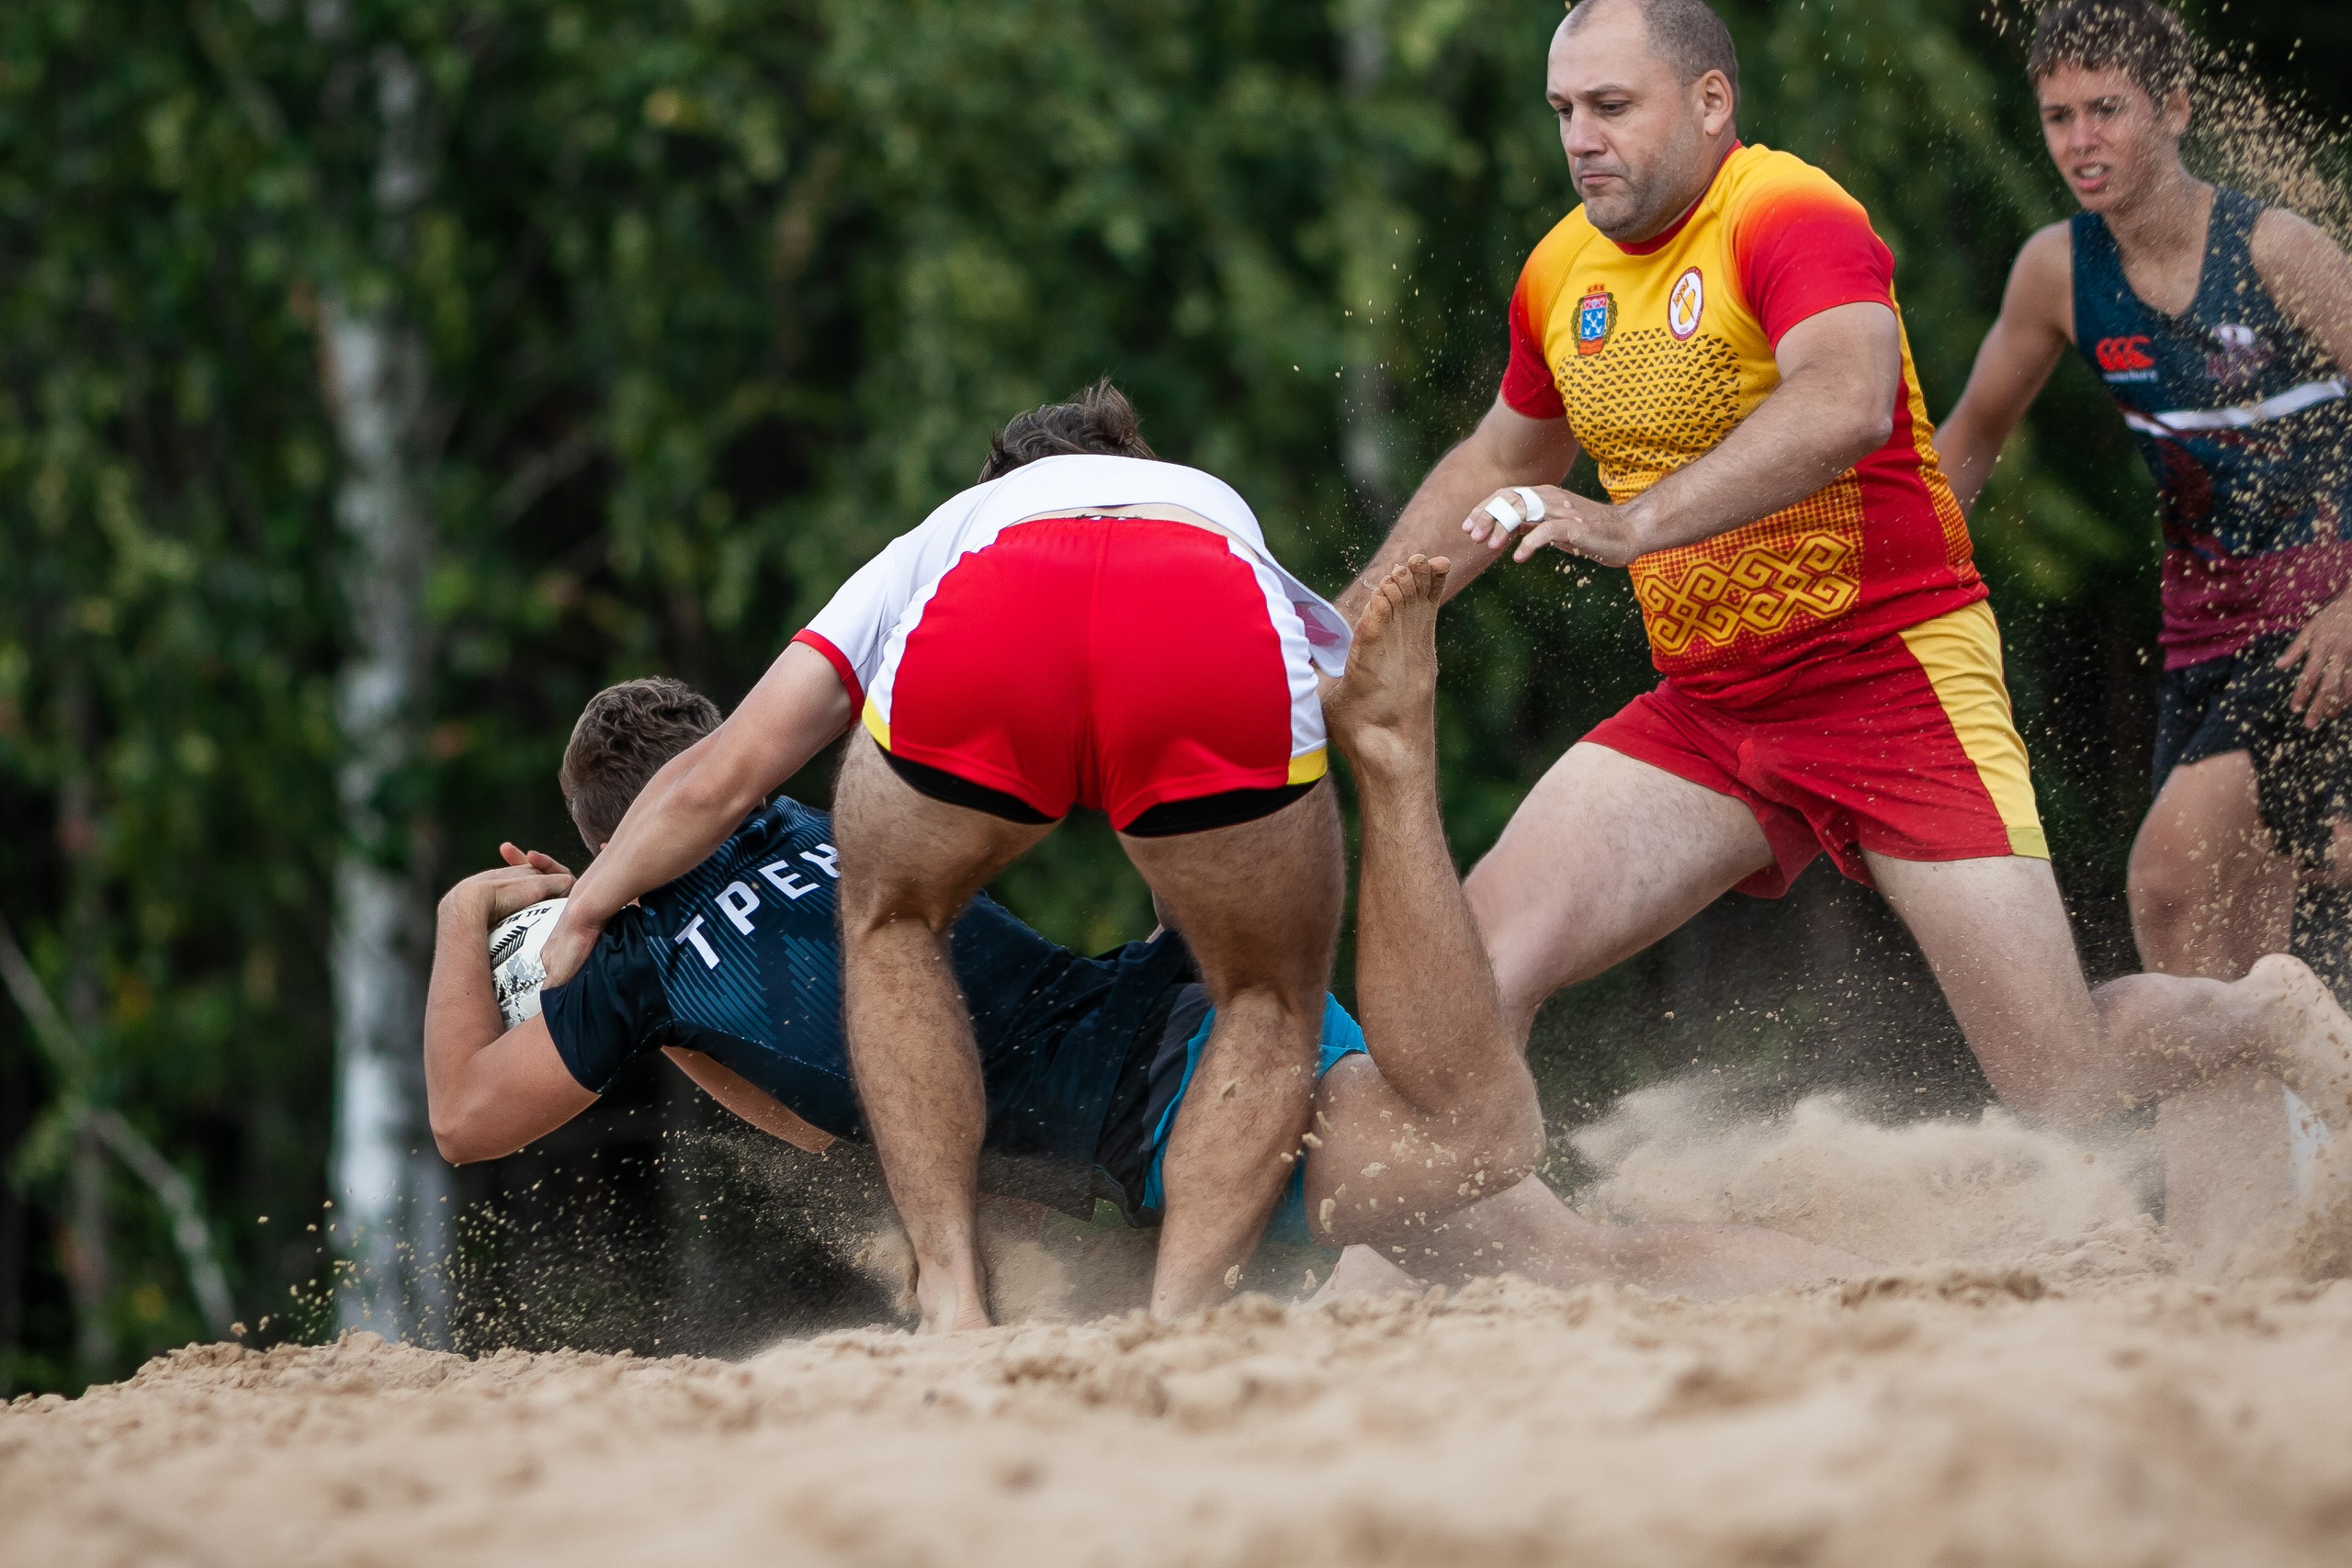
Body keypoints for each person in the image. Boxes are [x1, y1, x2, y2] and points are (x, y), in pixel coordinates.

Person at [1331, 0, 2352, 1265]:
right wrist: (1354, 617)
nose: (1581, 139)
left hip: (1891, 680)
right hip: (1713, 709)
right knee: (1469, 974)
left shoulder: (1788, 211)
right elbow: (1499, 454)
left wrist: (1627, 521)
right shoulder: (1561, 273)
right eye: (1563, 113)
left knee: (2063, 1082)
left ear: (1709, 104)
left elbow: (1850, 399)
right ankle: (1522, 1254)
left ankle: (2260, 1017)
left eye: (1612, 106)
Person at [424, 616, 1868, 1313]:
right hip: (1179, 1027)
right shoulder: (814, 820)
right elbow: (819, 1094)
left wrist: (470, 915)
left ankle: (1901, 1299)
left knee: (1493, 1191)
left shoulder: (643, 968)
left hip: (1183, 1101)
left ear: (600, 840)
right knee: (1573, 1272)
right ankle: (1882, 1289)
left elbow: (463, 1117)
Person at [536, 383, 1354, 1331]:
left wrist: (587, 907)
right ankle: (1177, 1319)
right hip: (1201, 599)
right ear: (1137, 464)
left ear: (1001, 477)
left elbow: (723, 774)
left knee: (894, 920)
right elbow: (1321, 697)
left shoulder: (956, 527)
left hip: (1002, 601)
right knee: (1266, 992)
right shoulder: (1205, 500)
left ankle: (951, 1292)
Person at [1936, 0, 2352, 1001]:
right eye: (2057, 116)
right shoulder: (2055, 272)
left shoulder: (2277, 252)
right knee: (2232, 944)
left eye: (2105, 110)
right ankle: (2265, 1160)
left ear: (2171, 107)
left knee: (2167, 879)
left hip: (2318, 624)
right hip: (2198, 634)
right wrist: (1866, 575)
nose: (2080, 141)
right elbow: (1969, 441)